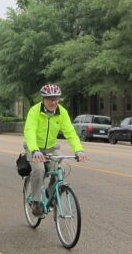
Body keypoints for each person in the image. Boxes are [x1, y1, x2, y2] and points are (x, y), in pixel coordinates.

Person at [23, 83, 88, 216]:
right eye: (50, 99)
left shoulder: (62, 112)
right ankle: (36, 202)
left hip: (51, 148)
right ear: (43, 99)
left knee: (61, 169)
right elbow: (29, 131)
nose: (53, 102)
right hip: (34, 147)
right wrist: (35, 150)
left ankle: (50, 193)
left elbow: (70, 132)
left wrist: (79, 150)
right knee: (39, 170)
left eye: (56, 99)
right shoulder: (35, 111)